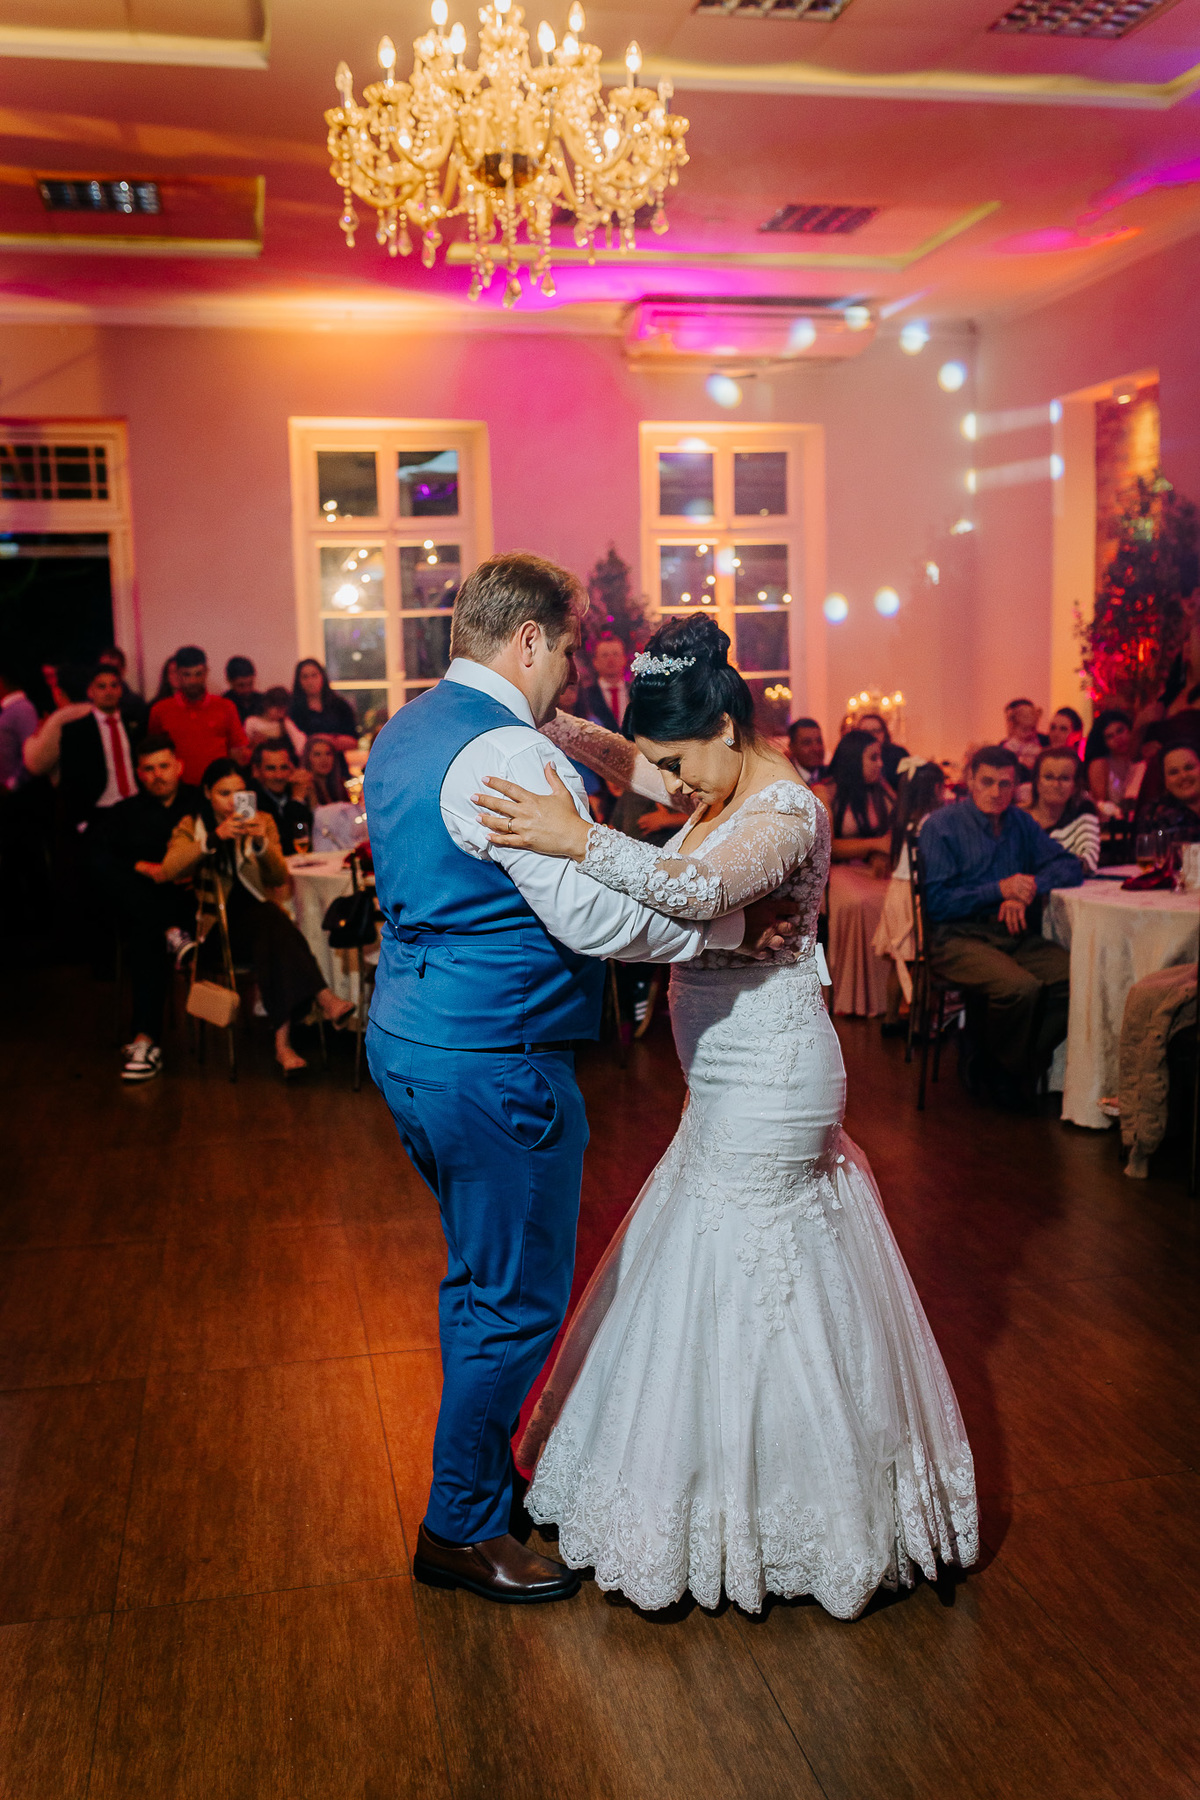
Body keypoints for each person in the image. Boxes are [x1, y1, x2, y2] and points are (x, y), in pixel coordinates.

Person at [475, 610, 978, 1618]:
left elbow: (699, 886)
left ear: (723, 726)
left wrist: (578, 837)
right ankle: (698, 1499)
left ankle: (791, 1521)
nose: (670, 782)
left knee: (759, 1275)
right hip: (718, 1076)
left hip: (776, 1075)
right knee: (705, 1262)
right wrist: (551, 718)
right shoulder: (720, 774)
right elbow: (638, 763)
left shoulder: (784, 808)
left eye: (677, 761)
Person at [363, 553, 802, 1606]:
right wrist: (732, 931)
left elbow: (584, 760)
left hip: (411, 1038)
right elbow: (593, 917)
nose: (570, 668)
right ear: (528, 641)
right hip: (494, 1056)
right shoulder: (510, 752)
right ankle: (460, 1527)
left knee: (480, 1282)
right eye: (565, 648)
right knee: (514, 1301)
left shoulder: (407, 728)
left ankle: (478, 1483)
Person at [160, 757, 353, 1075]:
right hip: (217, 934)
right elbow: (169, 868)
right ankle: (324, 999)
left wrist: (261, 844)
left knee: (271, 929)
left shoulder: (261, 820)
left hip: (261, 930)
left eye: (239, 794)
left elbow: (278, 878)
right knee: (273, 922)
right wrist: (213, 837)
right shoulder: (193, 825)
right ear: (207, 793)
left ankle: (283, 1044)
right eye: (224, 793)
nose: (232, 802)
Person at [921, 746, 1084, 1106]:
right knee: (1020, 988)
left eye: (1005, 784)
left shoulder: (1020, 822)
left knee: (1076, 978)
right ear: (969, 780)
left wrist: (1028, 887)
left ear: (1016, 786)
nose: (996, 792)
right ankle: (1006, 1070)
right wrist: (999, 889)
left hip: (1011, 933)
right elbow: (938, 904)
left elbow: (1070, 866)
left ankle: (998, 1063)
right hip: (956, 937)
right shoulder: (941, 825)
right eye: (987, 782)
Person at [90, 734, 200, 1082]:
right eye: (149, 769)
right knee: (143, 925)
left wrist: (191, 871)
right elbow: (98, 856)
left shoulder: (200, 802)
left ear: (179, 766)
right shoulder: (124, 813)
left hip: (193, 905)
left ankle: (144, 1040)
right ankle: (169, 931)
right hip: (145, 909)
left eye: (164, 766)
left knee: (146, 929)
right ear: (139, 773)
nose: (157, 775)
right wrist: (140, 867)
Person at [815, 728, 895, 1016]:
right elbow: (826, 846)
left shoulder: (881, 790)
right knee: (860, 903)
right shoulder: (825, 792)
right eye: (873, 757)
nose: (880, 764)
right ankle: (853, 997)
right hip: (836, 871)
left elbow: (895, 828)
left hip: (872, 869)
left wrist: (880, 853)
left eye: (880, 757)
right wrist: (875, 845)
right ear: (853, 758)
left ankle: (890, 998)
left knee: (899, 898)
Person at [872, 760, 946, 1034]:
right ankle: (918, 1025)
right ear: (936, 789)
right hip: (916, 895)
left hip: (897, 892)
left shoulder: (904, 820)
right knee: (922, 963)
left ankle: (891, 1020)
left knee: (899, 961)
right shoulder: (931, 823)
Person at [55, 663, 145, 828]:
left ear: (121, 690)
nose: (109, 691)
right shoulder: (76, 730)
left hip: (134, 804)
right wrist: (80, 821)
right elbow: (70, 778)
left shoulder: (133, 722)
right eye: (102, 687)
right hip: (100, 810)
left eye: (114, 685)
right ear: (91, 692)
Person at [148, 646, 249, 785]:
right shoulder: (160, 710)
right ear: (178, 674)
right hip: (178, 790)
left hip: (218, 788)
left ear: (206, 672)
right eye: (187, 674)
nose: (193, 681)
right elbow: (154, 756)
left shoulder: (226, 707)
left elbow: (237, 753)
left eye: (198, 674)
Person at [1023, 748, 1100, 873]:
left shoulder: (1083, 812)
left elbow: (1089, 861)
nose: (1056, 785)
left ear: (1075, 786)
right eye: (1049, 777)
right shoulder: (1018, 818)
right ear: (1037, 782)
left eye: (1064, 778)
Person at [22, 663, 91, 783]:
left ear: (59, 691)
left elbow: (36, 764)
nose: (49, 683)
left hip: (72, 787)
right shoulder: (96, 712)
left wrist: (35, 736)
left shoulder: (60, 719)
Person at [250, 741, 314, 854]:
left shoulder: (293, 790)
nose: (279, 776)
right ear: (256, 771)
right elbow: (285, 846)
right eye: (271, 768)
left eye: (284, 767)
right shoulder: (252, 802)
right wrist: (297, 801)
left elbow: (307, 837)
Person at [289, 658, 358, 753]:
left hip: (336, 760)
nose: (310, 681)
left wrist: (326, 740)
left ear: (322, 677)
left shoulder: (339, 706)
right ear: (298, 681)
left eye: (314, 675)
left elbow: (353, 742)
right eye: (305, 677)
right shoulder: (293, 709)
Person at [1135, 742, 1200, 842]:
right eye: (1174, 772)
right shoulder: (1154, 814)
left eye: (1189, 768)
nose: (1183, 776)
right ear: (1165, 781)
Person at [1084, 708, 1144, 812]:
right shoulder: (1100, 764)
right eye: (1110, 737)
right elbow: (1100, 807)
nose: (1118, 739)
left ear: (1129, 729)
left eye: (1120, 731)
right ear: (1104, 742)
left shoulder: (1138, 759)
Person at [579, 635, 629, 733]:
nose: (611, 660)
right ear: (595, 662)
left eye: (615, 654)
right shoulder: (586, 695)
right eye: (605, 655)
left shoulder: (637, 692)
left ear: (624, 659)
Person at [0, 667, 38, 792]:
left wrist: (11, 785)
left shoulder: (22, 709)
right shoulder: (11, 709)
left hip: (16, 795)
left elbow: (30, 755)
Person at [97, 645, 149, 734]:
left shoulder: (136, 704)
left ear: (123, 670)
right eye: (104, 669)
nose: (108, 673)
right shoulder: (91, 704)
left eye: (113, 669)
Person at [245, 686, 307, 760]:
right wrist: (253, 742)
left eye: (284, 711)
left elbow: (299, 741)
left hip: (279, 759)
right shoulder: (252, 722)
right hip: (258, 759)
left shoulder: (285, 723)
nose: (281, 715)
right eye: (278, 710)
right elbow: (244, 746)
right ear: (267, 705)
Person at [857, 709, 909, 788]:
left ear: (884, 733)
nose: (871, 735)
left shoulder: (899, 754)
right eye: (865, 732)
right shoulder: (854, 756)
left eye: (876, 731)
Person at [301, 733, 348, 806]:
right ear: (308, 759)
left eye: (328, 754)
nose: (324, 759)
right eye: (317, 754)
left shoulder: (339, 786)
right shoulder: (305, 788)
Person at [223, 655, 266, 722]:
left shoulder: (263, 701)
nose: (247, 689)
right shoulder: (223, 704)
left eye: (250, 684)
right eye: (241, 685)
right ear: (230, 681)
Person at [787, 716, 827, 786]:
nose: (816, 748)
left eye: (819, 741)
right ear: (792, 747)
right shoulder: (785, 778)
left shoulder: (831, 777)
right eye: (807, 743)